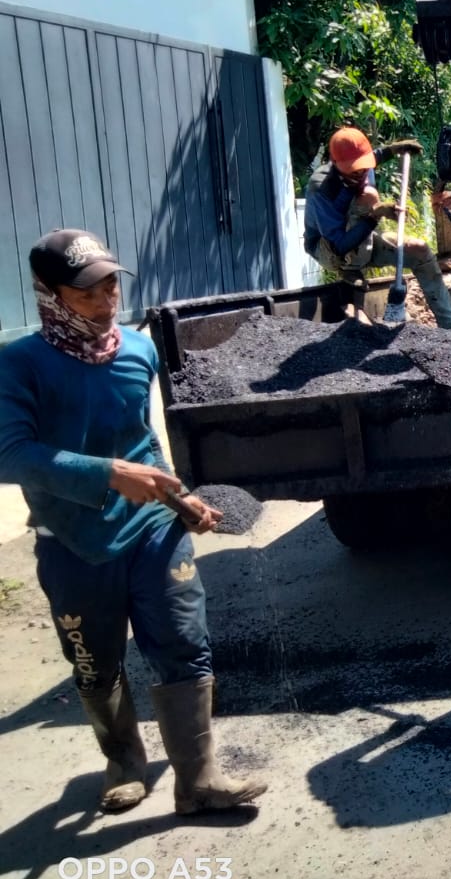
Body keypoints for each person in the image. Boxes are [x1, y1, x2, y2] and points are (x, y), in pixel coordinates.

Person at [0, 230, 268, 815]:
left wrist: (179, 498)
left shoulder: (137, 351)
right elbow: (9, 454)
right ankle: (124, 759)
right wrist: (104, 474)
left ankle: (198, 779)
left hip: (151, 531)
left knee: (183, 642)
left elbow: (143, 444)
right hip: (72, 542)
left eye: (112, 285)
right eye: (87, 291)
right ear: (50, 294)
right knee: (94, 661)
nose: (105, 300)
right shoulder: (19, 364)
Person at [303, 126, 451, 329]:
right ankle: (351, 269)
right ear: (335, 163)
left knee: (419, 250)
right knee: (369, 196)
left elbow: (375, 156)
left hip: (363, 237)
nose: (360, 172)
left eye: (364, 165)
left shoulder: (365, 164)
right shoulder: (322, 189)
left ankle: (450, 327)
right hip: (330, 249)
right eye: (354, 168)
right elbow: (339, 245)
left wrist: (393, 150)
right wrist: (375, 214)